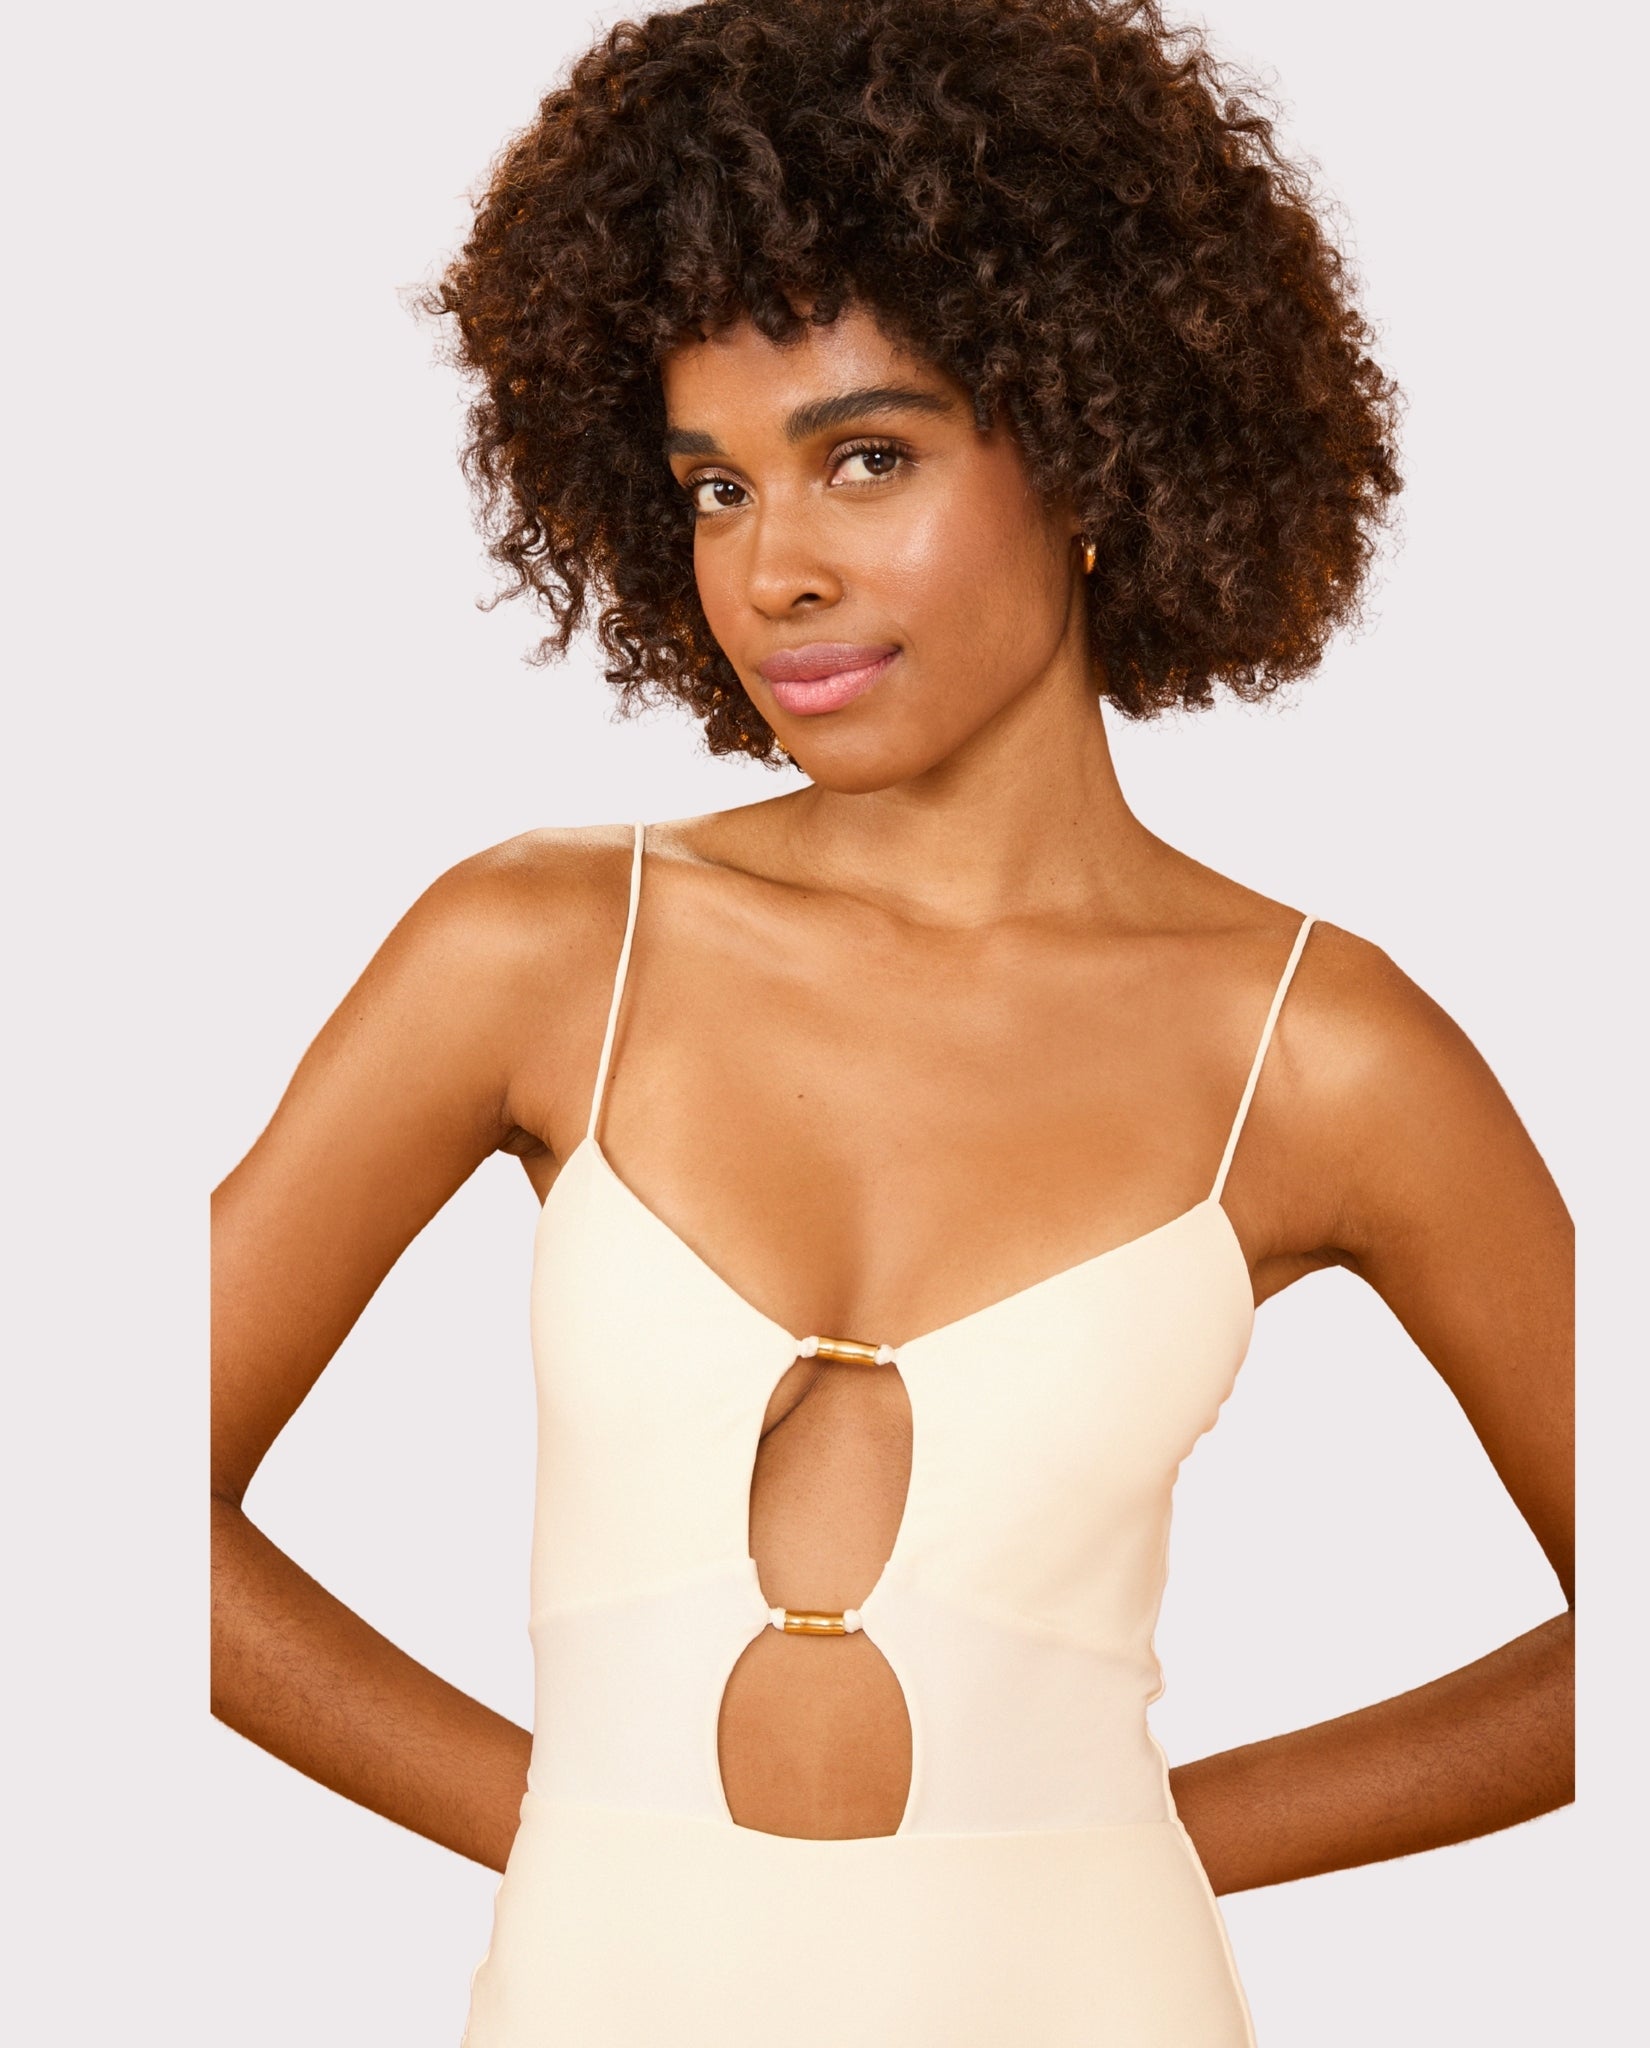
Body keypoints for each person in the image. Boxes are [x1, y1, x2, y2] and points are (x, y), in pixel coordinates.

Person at [208, 1, 1574, 2040]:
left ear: (1094, 439)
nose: (774, 571)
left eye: (867, 457)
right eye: (713, 488)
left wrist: (1148, 1832)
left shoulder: (1317, 1050)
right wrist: (575, 1824)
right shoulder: (544, 951)